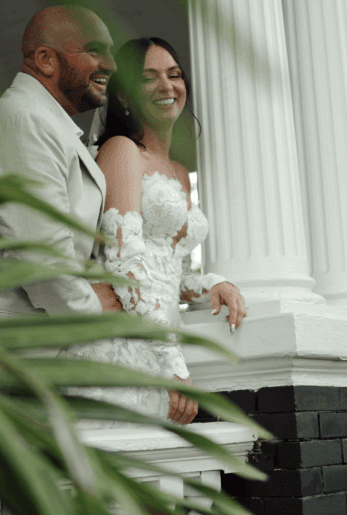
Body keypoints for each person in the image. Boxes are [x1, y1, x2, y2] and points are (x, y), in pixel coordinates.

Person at [62, 37, 247, 427]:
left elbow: (167, 272)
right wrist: (173, 367)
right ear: (126, 97)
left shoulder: (180, 172)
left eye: (174, 75)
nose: (167, 86)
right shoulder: (121, 151)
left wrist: (210, 284)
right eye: (150, 78)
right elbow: (126, 264)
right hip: (121, 346)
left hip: (161, 340)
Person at [0, 6, 122, 317]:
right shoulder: (20, 120)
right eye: (95, 51)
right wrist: (94, 310)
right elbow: (42, 254)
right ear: (45, 60)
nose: (111, 65)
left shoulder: (41, 121)